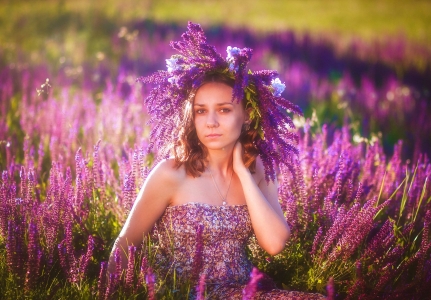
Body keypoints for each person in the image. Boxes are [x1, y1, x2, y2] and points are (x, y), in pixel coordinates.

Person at [109, 22, 325, 299]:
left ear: (246, 115)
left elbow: (274, 243)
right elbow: (124, 245)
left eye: (223, 110)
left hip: (244, 292)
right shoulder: (171, 173)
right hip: (182, 293)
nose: (211, 122)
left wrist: (243, 174)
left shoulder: (258, 169)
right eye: (201, 111)